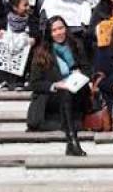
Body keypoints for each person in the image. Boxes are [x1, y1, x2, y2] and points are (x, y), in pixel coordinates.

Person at [27, 15, 90, 157]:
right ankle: (73, 141)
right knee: (65, 93)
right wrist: (56, 85)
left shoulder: (76, 46)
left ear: (66, 29)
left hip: (77, 92)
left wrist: (81, 74)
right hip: (53, 97)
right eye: (54, 30)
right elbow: (35, 83)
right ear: (49, 34)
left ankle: (71, 144)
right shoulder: (41, 52)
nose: (58, 32)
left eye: (61, 28)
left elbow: (88, 70)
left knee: (69, 93)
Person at [0, 0, 37, 91]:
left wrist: (33, 38)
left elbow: (35, 33)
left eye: (28, 5)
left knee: (27, 54)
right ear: (15, 7)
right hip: (9, 46)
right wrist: (0, 33)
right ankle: (3, 81)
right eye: (25, 5)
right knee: (3, 49)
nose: (28, 7)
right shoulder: (5, 19)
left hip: (23, 47)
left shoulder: (31, 19)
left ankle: (20, 81)